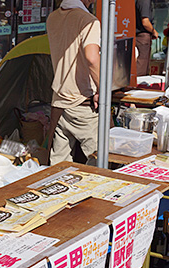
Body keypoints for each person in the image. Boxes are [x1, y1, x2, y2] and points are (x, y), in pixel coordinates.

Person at [45, 0, 100, 165]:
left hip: (59, 101)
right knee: (100, 161)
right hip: (83, 101)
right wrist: (102, 89)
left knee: (58, 166)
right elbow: (92, 58)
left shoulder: (52, 17)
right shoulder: (89, 21)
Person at [136, 0, 159, 76]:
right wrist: (154, 31)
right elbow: (145, 22)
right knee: (142, 63)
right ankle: (138, 83)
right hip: (142, 35)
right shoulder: (144, 1)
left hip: (138, 34)